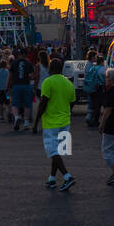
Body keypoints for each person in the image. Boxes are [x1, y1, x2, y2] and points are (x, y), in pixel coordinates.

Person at [33, 57, 77, 190]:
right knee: (57, 153)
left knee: (53, 152)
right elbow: (72, 102)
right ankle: (52, 178)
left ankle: (67, 177)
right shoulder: (69, 83)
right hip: (65, 122)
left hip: (52, 123)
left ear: (50, 69)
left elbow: (43, 103)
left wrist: (36, 122)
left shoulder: (48, 82)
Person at [8, 51, 34, 132]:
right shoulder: (29, 63)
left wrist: (8, 86)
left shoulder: (14, 63)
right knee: (27, 105)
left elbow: (10, 76)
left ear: (18, 55)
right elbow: (32, 76)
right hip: (26, 85)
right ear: (25, 55)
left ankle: (16, 118)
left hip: (16, 85)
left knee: (14, 104)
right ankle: (26, 124)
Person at [83, 51, 105, 130]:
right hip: (94, 88)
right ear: (92, 57)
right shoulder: (91, 66)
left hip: (90, 87)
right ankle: (91, 120)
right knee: (95, 105)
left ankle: (90, 119)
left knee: (93, 104)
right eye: (95, 57)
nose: (96, 58)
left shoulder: (90, 65)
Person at [0, 56, 11, 122]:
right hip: (7, 90)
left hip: (0, 89)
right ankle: (8, 114)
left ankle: (1, 116)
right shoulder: (8, 71)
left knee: (0, 102)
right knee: (8, 102)